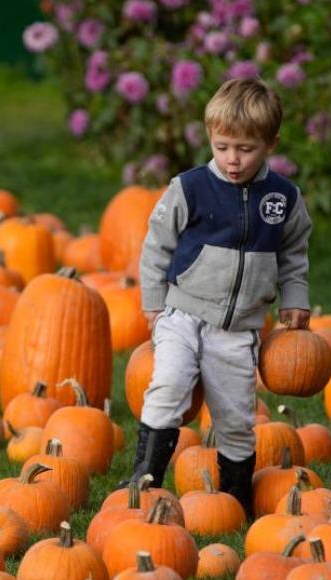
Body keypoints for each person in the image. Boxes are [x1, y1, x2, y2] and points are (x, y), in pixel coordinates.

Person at [128, 77, 313, 519]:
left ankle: (232, 499)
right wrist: (153, 304)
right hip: (183, 313)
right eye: (223, 145)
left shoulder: (283, 198)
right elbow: (156, 246)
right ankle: (144, 477)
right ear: (210, 136)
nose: (232, 159)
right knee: (168, 385)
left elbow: (294, 252)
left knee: (236, 419)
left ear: (270, 143)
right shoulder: (190, 188)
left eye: (246, 149)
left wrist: (295, 296)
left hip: (239, 328)